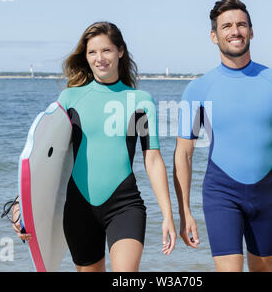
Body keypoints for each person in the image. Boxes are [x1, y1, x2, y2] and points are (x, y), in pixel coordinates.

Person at [11, 21, 176, 272]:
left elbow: (152, 159)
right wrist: (21, 204)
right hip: (79, 209)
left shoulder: (140, 102)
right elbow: (46, 158)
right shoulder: (69, 99)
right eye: (92, 52)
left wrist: (167, 214)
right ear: (85, 57)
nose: (100, 58)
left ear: (120, 51)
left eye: (106, 50)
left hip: (125, 205)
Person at [173, 0, 272, 272]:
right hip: (221, 193)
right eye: (226, 26)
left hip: (269, 194)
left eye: (241, 24)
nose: (235, 31)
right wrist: (184, 213)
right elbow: (184, 153)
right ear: (214, 36)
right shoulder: (199, 89)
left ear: (252, 31)